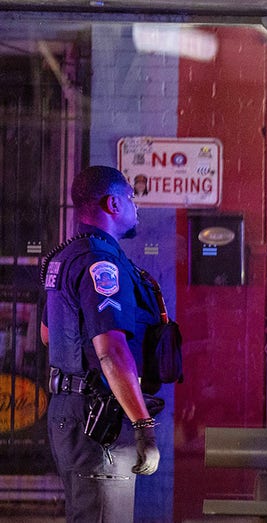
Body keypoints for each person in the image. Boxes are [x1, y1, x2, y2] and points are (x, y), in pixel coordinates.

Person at [40, 165, 160, 522]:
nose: (135, 206)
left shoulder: (64, 256)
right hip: (99, 418)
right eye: (130, 197)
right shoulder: (101, 262)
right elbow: (112, 351)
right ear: (113, 204)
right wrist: (143, 426)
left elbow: (48, 334)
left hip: (70, 413)